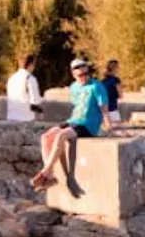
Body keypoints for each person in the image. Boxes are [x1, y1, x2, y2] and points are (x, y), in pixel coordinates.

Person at [32, 58, 111, 192]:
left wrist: (107, 121)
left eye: (86, 74)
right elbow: (77, 105)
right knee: (46, 137)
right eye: (80, 75)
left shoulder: (97, 86)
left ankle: (46, 171)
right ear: (73, 75)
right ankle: (50, 176)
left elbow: (103, 106)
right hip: (74, 120)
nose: (84, 77)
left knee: (61, 135)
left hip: (88, 124)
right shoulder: (74, 87)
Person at [5, 54, 43, 123]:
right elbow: (35, 102)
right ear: (31, 65)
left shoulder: (11, 78)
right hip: (25, 118)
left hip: (11, 117)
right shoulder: (30, 78)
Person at [103, 59, 123, 126]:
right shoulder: (116, 80)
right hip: (113, 107)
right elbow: (120, 94)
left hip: (104, 107)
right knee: (117, 128)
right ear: (115, 68)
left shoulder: (103, 81)